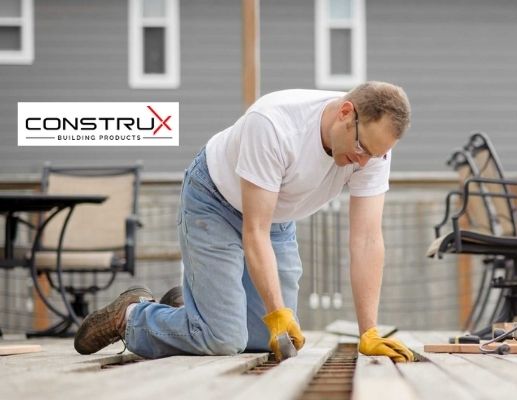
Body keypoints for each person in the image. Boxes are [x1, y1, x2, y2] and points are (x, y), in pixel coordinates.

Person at [73, 81, 415, 362]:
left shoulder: (372, 149)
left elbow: (367, 239)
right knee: (223, 339)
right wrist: (277, 311)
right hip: (214, 202)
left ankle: (192, 310)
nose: (365, 162)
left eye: (377, 154)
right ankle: (131, 316)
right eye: (363, 149)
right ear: (345, 113)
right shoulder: (274, 125)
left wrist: (368, 331)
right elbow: (255, 231)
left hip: (277, 218)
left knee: (268, 341)